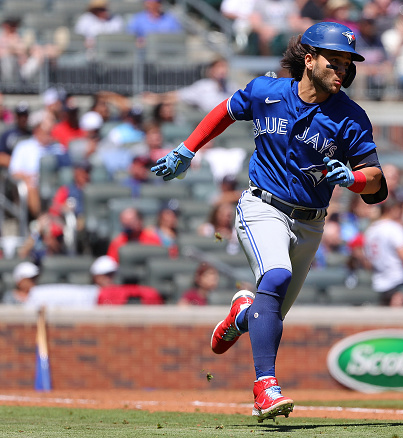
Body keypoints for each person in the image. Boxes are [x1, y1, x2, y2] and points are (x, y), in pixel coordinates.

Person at [151, 22, 387, 421]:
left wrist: (354, 178)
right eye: (335, 60)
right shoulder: (267, 91)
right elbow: (226, 110)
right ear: (309, 59)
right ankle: (265, 388)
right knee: (275, 277)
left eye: (347, 62)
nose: (342, 70)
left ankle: (242, 314)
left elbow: (376, 181)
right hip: (263, 205)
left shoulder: (351, 116)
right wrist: (186, 149)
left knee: (269, 310)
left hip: (311, 223)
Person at [142, 57, 238, 113]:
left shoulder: (232, 88)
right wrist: (157, 97)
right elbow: (177, 95)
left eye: (224, 67)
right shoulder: (203, 86)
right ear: (211, 70)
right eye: (219, 67)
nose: (222, 70)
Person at [363, 198, 403, 306]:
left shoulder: (370, 230)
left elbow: (367, 262)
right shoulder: (394, 228)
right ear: (392, 210)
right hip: (396, 280)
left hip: (377, 281)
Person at [0, 101, 31, 168]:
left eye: (25, 115)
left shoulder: (33, 135)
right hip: (11, 172)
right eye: (20, 116)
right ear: (16, 116)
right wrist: (18, 164)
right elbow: (1, 156)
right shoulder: (7, 134)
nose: (23, 119)